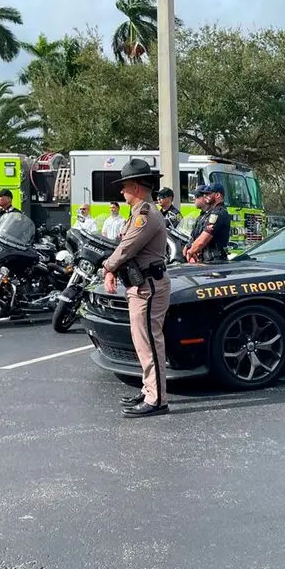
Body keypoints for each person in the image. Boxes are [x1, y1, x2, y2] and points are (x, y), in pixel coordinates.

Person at [101, 158, 172, 418]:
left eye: (125, 186)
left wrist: (107, 268)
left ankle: (157, 400)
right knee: (142, 343)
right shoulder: (138, 213)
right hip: (141, 285)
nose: (122, 192)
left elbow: (126, 248)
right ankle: (149, 389)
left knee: (150, 342)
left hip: (148, 286)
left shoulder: (146, 215)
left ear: (138, 187)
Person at [184, 182, 231, 264]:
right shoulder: (211, 213)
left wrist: (190, 251)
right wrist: (189, 246)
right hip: (208, 260)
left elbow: (202, 240)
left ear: (217, 195)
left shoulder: (218, 213)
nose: (205, 196)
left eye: (209, 194)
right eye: (204, 194)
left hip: (215, 262)